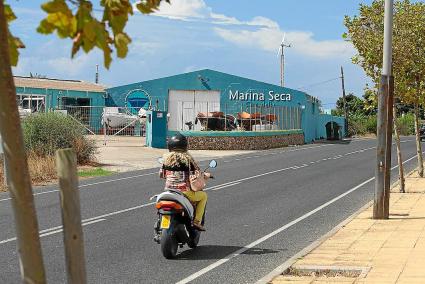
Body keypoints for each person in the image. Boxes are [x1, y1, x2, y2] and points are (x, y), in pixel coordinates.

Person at [160, 133, 208, 231]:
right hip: (184, 193)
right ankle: (197, 221)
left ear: (170, 146)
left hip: (169, 191)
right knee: (203, 196)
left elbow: (162, 175)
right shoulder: (188, 160)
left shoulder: (166, 160)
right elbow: (196, 174)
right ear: (185, 146)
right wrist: (206, 175)